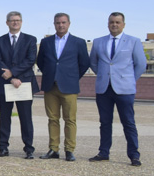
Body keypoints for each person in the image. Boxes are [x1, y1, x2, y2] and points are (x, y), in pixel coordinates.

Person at [89, 12, 146, 166]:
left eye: (118, 22)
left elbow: (141, 64)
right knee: (105, 122)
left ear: (123, 24)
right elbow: (93, 63)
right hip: (104, 89)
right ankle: (104, 152)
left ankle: (134, 155)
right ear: (108, 24)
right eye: (112, 22)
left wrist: (129, 79)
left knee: (128, 122)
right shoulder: (99, 42)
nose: (114, 25)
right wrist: (104, 75)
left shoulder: (133, 41)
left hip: (125, 89)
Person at [36, 13, 90, 162]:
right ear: (54, 24)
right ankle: (53, 149)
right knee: (53, 119)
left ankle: (69, 150)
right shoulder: (46, 42)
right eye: (58, 23)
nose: (61, 25)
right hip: (50, 85)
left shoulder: (78, 42)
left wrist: (71, 77)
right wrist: (51, 74)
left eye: (63, 22)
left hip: (69, 86)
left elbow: (84, 63)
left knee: (70, 119)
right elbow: (40, 61)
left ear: (69, 24)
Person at [0, 11, 39, 159]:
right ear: (7, 23)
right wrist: (10, 78)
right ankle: (3, 148)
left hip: (24, 84)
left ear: (21, 22)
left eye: (17, 20)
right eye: (12, 20)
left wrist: (12, 73)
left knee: (26, 118)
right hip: (5, 84)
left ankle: (29, 148)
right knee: (5, 118)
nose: (15, 22)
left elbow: (30, 60)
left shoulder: (30, 40)